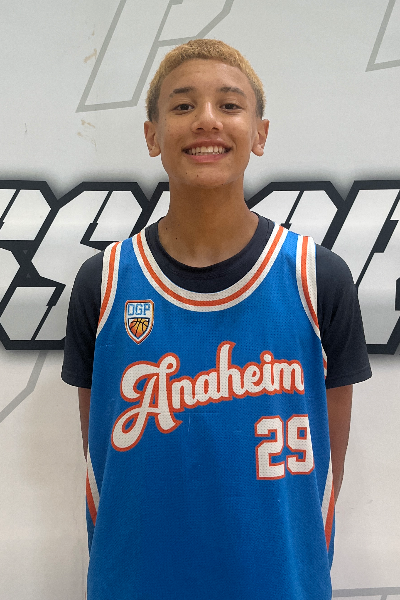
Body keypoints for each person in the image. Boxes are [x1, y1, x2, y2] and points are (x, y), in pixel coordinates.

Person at [62, 39, 371, 600]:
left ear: (260, 133)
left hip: (281, 584)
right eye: (183, 106)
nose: (207, 120)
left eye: (229, 105)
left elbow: (326, 472)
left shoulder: (317, 277)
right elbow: (103, 458)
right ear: (152, 135)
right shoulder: (102, 283)